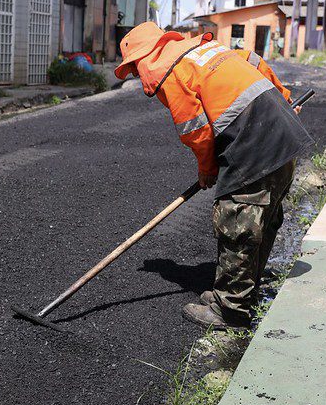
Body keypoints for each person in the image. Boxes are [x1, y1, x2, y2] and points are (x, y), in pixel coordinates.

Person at [113, 22, 313, 329]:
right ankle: (239, 293)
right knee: (264, 217)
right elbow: (253, 60)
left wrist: (207, 171)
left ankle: (230, 311)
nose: (138, 76)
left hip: (253, 142)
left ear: (144, 58)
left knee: (237, 222)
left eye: (135, 69)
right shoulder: (204, 49)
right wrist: (284, 98)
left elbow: (196, 131)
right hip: (283, 135)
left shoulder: (171, 70)